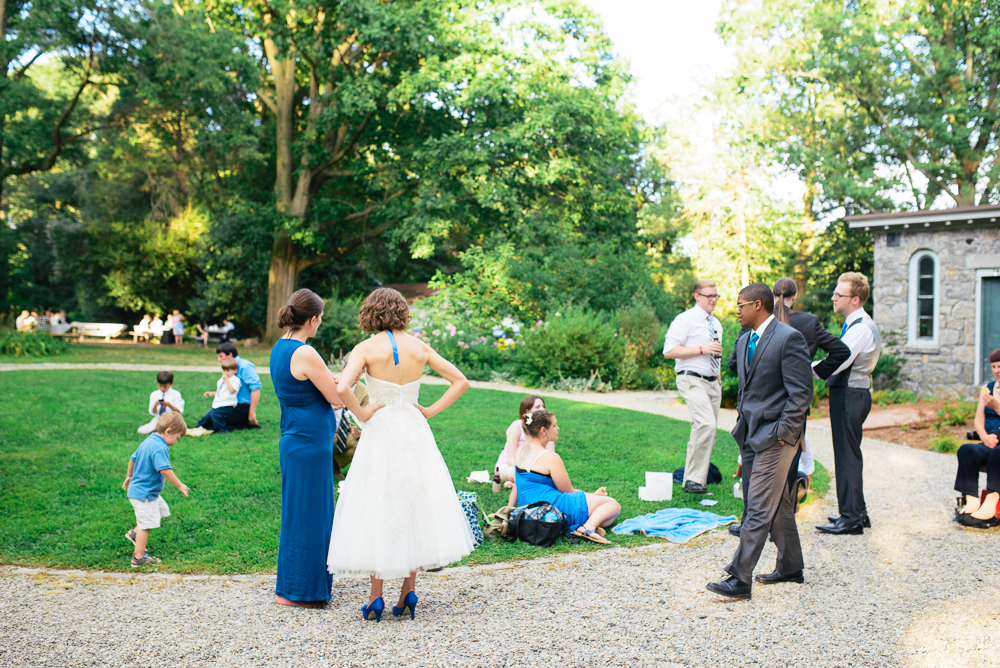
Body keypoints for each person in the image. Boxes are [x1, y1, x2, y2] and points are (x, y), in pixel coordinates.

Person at [327, 287, 475, 623]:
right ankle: (408, 590)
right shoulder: (419, 347)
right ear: (402, 312)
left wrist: (362, 414)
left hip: (381, 429)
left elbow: (341, 388)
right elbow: (460, 381)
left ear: (371, 313)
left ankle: (375, 597)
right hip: (412, 427)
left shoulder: (364, 348)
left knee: (380, 501)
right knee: (416, 500)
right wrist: (429, 411)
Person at [706, 283, 812, 600]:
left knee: (757, 508)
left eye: (740, 305)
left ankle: (739, 578)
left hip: (777, 438)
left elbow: (801, 394)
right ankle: (791, 565)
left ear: (757, 305)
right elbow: (745, 390)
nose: (735, 310)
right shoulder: (743, 341)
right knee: (774, 504)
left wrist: (784, 434)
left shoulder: (788, 338)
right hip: (749, 435)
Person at [726, 277, 849, 536]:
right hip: (784, 415)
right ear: (794, 297)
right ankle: (774, 533)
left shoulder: (771, 327)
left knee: (758, 475)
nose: (738, 311)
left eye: (741, 305)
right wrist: (814, 370)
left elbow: (734, 365)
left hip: (776, 415)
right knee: (785, 474)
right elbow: (841, 351)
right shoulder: (806, 322)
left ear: (763, 301)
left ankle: (753, 526)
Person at [270, 289, 345, 607]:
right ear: (312, 319)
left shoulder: (280, 347)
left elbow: (312, 385)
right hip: (308, 444)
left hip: (297, 440)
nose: (320, 324)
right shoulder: (305, 352)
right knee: (310, 517)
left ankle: (293, 588)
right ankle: (300, 592)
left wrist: (337, 379)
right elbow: (337, 398)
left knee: (300, 515)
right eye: (321, 319)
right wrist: (352, 378)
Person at [814, 272, 881, 535]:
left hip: (850, 394)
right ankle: (857, 512)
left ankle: (851, 517)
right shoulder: (858, 324)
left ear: (854, 300)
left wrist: (806, 368)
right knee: (849, 453)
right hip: (853, 392)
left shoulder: (861, 328)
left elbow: (839, 361)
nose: (833, 298)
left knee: (846, 455)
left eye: (838, 295)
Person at [508, 410, 621, 544]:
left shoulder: (522, 448)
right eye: (555, 425)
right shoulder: (550, 457)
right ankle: (587, 528)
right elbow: (567, 491)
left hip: (531, 510)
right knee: (612, 505)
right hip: (551, 508)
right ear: (543, 431)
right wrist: (593, 495)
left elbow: (519, 482)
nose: (558, 428)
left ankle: (587, 523)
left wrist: (511, 508)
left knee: (607, 519)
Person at [663, 278, 724, 494]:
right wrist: (701, 348)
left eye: (716, 295)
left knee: (706, 428)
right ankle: (692, 480)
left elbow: (715, 352)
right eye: (709, 296)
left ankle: (695, 479)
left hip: (712, 382)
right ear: (697, 296)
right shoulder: (685, 319)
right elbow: (669, 351)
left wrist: (718, 378)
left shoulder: (715, 323)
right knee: (706, 424)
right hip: (691, 378)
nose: (713, 300)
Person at [121, 412, 190, 567]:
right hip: (144, 494)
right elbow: (164, 470)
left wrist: (129, 476)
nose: (176, 442)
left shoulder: (148, 441)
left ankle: (134, 533)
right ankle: (138, 558)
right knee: (147, 525)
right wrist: (179, 485)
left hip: (147, 492)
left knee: (161, 511)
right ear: (168, 432)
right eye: (177, 438)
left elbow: (133, 458)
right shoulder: (159, 447)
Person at [954, 348, 1000, 527]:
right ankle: (972, 501)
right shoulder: (988, 389)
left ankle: (990, 503)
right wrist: (984, 437)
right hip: (989, 439)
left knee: (998, 453)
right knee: (966, 450)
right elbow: (978, 420)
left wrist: (997, 406)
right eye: (994, 367)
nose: (997, 370)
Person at [493, 395, 554, 491]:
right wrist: (529, 470)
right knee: (514, 473)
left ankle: (515, 485)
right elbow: (511, 460)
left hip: (535, 468)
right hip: (511, 467)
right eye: (538, 407)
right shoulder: (516, 426)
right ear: (527, 411)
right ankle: (518, 483)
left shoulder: (546, 429)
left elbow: (551, 457)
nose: (542, 409)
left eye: (543, 406)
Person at [332, 353, 370, 479]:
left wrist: (360, 429)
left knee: (363, 443)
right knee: (321, 444)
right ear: (343, 370)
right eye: (353, 370)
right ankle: (327, 468)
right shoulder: (331, 384)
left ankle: (336, 464)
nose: (357, 374)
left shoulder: (364, 390)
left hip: (348, 433)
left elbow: (365, 415)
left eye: (360, 370)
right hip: (328, 431)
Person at [188, 358, 242, 436]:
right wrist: (211, 393)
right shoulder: (222, 380)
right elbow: (221, 392)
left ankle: (222, 430)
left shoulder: (235, 380)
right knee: (206, 417)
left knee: (216, 415)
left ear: (235, 370)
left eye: (228, 370)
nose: (226, 373)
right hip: (218, 404)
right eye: (224, 370)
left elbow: (232, 390)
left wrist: (226, 380)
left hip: (227, 404)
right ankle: (197, 428)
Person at [215, 342, 263, 429]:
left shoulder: (245, 366)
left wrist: (251, 412)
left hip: (241, 407)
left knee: (215, 425)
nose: (219, 359)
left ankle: (246, 422)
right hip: (229, 405)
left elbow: (256, 388)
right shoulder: (228, 366)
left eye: (221, 356)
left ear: (230, 354)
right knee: (209, 420)